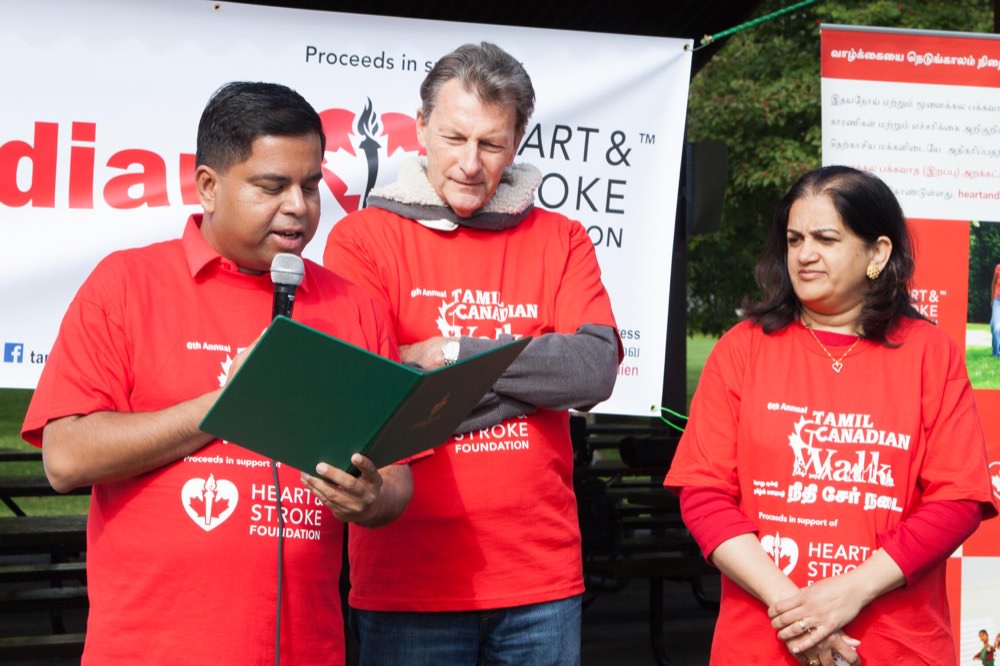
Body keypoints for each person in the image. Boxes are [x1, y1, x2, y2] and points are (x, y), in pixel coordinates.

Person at [21, 81, 412, 664]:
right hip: (148, 651)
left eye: (310, 185)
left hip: (304, 650)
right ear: (208, 185)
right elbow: (66, 458)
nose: (298, 206)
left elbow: (399, 477)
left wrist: (372, 498)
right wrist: (226, 404)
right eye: (272, 187)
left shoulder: (354, 307)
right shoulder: (125, 286)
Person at [323, 42, 621, 665]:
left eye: (490, 144)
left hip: (539, 577)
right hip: (408, 579)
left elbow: (594, 369)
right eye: (454, 137)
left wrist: (451, 352)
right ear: (421, 127)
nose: (468, 163)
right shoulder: (363, 239)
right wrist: (528, 386)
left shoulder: (561, 238)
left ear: (517, 144)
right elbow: (368, 393)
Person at [664, 165, 997, 665]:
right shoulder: (742, 349)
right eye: (794, 239)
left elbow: (958, 500)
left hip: (896, 646)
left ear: (877, 253)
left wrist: (850, 592)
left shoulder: (931, 353)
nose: (804, 254)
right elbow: (704, 494)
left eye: (825, 239)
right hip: (764, 643)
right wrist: (798, 613)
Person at [990, 262, 1000, 357]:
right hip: (997, 300)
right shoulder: (998, 268)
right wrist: (992, 299)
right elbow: (993, 283)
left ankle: (997, 352)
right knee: (995, 327)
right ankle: (996, 353)